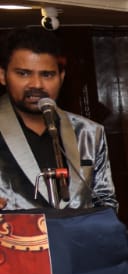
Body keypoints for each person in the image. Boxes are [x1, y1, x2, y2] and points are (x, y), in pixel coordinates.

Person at [0, 25, 116, 211]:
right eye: (23, 73)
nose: (36, 84)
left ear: (61, 77)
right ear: (2, 75)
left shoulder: (89, 133)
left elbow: (106, 203)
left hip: (79, 231)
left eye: (47, 75)